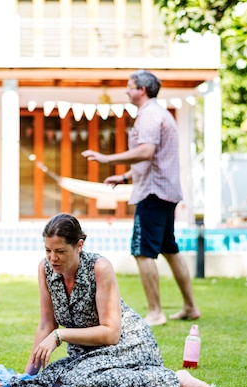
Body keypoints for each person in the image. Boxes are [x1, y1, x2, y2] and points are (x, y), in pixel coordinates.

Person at [8, 213, 220, 387]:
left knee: (77, 381)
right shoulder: (45, 269)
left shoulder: (99, 267)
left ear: (79, 245)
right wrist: (29, 377)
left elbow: (111, 334)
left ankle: (174, 378)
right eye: (48, 250)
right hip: (85, 354)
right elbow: (46, 325)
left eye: (60, 251)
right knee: (51, 379)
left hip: (126, 345)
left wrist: (60, 336)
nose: (53, 258)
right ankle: (163, 378)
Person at [82, 69, 200, 326]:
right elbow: (154, 159)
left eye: (129, 86)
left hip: (153, 193)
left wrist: (107, 160)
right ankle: (190, 306)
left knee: (142, 251)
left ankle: (156, 312)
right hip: (164, 191)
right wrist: (123, 178)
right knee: (170, 248)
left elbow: (145, 152)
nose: (126, 90)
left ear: (141, 90)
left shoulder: (149, 115)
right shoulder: (160, 113)